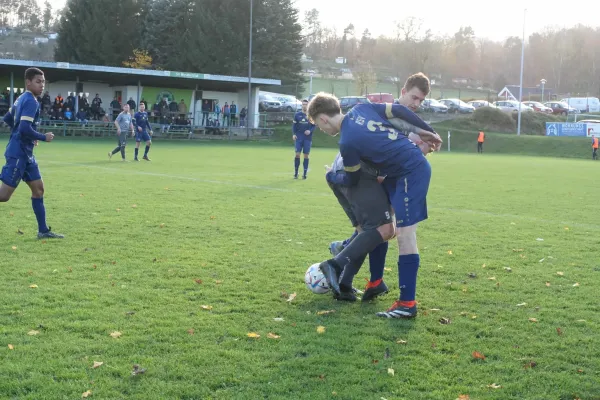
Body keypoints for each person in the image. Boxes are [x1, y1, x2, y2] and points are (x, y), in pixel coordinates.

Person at [308, 72, 442, 318]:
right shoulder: (362, 109)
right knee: (382, 225)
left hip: (409, 172)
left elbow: (352, 179)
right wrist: (427, 130)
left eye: (318, 125)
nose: (321, 129)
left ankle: (407, 304)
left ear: (324, 119)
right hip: (396, 173)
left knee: (404, 234)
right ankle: (357, 266)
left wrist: (331, 177)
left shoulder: (347, 143)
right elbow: (399, 113)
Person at [0, 67, 64, 239]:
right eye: (38, 81)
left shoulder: (21, 98)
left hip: (26, 153)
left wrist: (27, 136)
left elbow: (8, 119)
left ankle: (43, 230)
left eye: (43, 82)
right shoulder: (31, 101)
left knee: (39, 190)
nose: (42, 85)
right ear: (28, 82)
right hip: (18, 153)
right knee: (3, 196)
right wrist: (43, 136)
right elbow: (24, 127)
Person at [292, 99, 316, 179]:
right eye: (303, 104)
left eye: (306, 104)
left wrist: (310, 130)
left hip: (307, 138)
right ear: (301, 105)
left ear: (308, 105)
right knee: (297, 154)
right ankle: (296, 173)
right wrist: (294, 134)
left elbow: (314, 125)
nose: (304, 105)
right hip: (299, 137)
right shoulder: (297, 115)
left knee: (306, 155)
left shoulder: (311, 115)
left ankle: (304, 174)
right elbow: (294, 126)